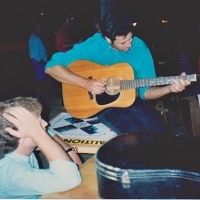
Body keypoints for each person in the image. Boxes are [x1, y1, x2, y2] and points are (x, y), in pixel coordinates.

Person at [45, 11, 191, 135]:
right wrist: (86, 83)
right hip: (102, 106)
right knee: (134, 137)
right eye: (123, 42)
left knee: (160, 135)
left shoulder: (140, 48)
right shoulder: (94, 45)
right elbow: (51, 67)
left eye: (131, 38)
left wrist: (169, 89)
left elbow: (145, 92)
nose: (129, 44)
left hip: (132, 101)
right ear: (108, 39)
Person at [0, 97, 82, 198]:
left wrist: (68, 149)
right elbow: (70, 179)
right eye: (38, 125)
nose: (46, 124)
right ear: (24, 140)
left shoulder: (13, 143)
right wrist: (38, 134)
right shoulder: (14, 174)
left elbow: (49, 133)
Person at [29, 23, 47, 100]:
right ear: (35, 28)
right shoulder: (35, 38)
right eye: (39, 27)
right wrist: (42, 61)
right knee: (40, 82)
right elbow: (35, 54)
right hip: (38, 62)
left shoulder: (36, 37)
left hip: (38, 62)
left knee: (40, 81)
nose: (40, 29)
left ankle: (36, 97)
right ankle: (38, 99)